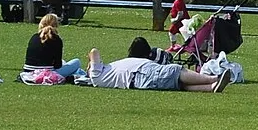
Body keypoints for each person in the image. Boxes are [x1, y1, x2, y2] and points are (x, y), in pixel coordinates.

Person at [86, 36, 230, 92]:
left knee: (177, 84)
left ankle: (211, 87)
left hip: (139, 78)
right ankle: (214, 79)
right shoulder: (96, 75)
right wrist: (91, 63)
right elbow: (94, 51)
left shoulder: (105, 75)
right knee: (174, 71)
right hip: (142, 73)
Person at [23, 13, 85, 81]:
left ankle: (77, 74)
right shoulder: (56, 39)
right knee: (77, 62)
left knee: (64, 62)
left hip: (28, 71)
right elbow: (57, 65)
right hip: (47, 73)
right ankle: (81, 75)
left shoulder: (34, 37)